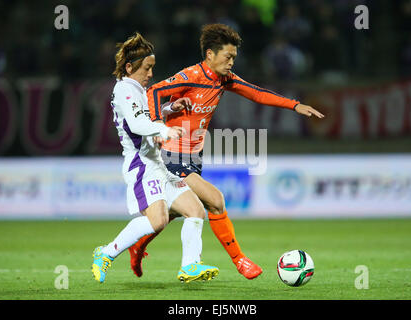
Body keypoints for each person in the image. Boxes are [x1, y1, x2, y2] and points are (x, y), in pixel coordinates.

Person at [128, 23, 324, 280]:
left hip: (192, 157)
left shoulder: (224, 79)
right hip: (170, 155)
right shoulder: (190, 76)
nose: (231, 62)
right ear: (210, 54)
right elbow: (154, 91)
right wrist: (155, 128)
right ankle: (240, 261)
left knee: (173, 212)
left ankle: (137, 245)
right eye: (228, 56)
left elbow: (256, 93)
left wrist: (295, 105)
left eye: (234, 57)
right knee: (215, 200)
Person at [91, 32, 219, 284]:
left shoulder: (139, 90)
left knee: (195, 210)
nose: (151, 74)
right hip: (141, 165)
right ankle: (106, 252)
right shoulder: (125, 89)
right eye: (147, 68)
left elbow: (147, 113)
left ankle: (190, 266)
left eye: (153, 68)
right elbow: (138, 123)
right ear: (130, 67)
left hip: (158, 162)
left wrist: (170, 109)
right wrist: (165, 129)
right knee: (158, 222)